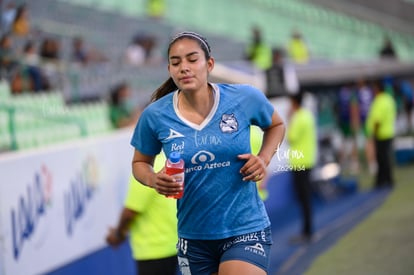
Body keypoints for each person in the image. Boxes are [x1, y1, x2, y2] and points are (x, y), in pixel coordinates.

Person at [130, 31, 285, 275]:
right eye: (176, 62)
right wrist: (153, 179)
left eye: (192, 59)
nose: (184, 68)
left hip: (245, 228)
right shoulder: (155, 116)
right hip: (193, 238)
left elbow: (276, 125)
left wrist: (263, 159)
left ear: (209, 64)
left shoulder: (244, 97)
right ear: (169, 68)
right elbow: (140, 163)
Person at [106, 153, 178, 275]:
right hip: (172, 245)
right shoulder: (168, 162)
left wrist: (118, 234)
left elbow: (130, 212)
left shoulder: (146, 169)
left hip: (153, 250)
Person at [286, 92, 317, 244]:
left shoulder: (298, 117)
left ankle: (307, 232)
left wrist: (290, 118)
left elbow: (291, 138)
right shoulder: (308, 115)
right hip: (308, 160)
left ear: (294, 103)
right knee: (306, 199)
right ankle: (308, 230)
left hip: (299, 163)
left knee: (303, 199)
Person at [366, 80, 397, 189]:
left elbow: (377, 120)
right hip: (389, 132)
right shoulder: (389, 99)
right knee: (386, 158)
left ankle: (383, 180)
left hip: (381, 134)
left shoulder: (379, 101)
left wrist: (374, 133)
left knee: (381, 158)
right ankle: (387, 179)